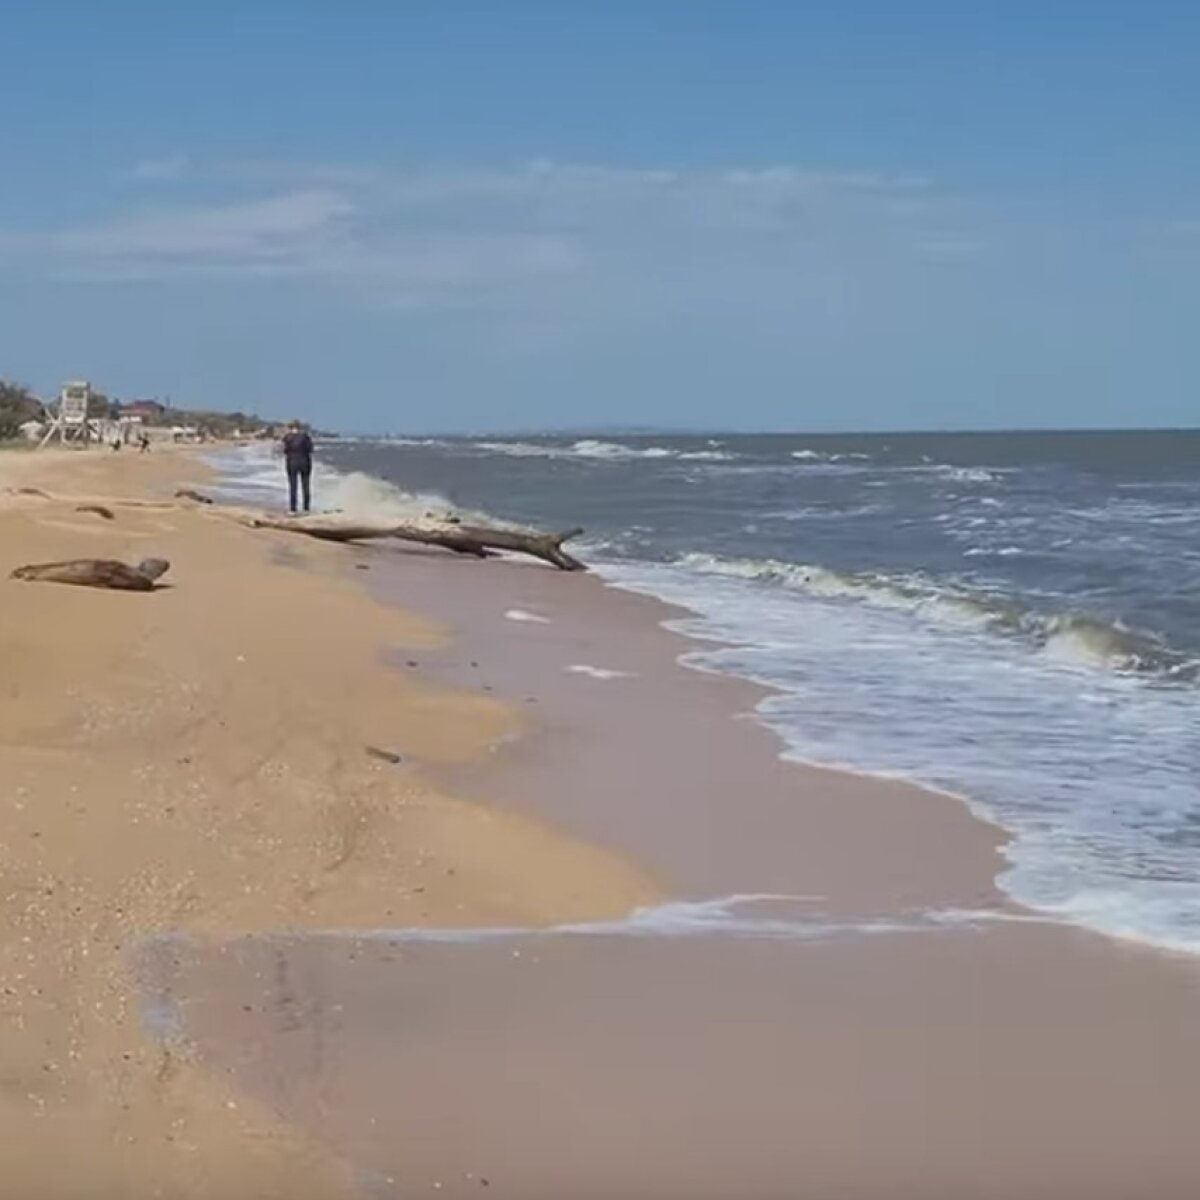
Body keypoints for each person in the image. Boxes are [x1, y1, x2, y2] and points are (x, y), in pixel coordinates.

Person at [281, 420, 314, 513]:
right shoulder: (305, 437)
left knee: (293, 486)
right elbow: (310, 449)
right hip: (305, 462)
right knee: (306, 486)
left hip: (292, 462)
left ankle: (293, 509)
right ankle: (306, 508)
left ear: (290, 428)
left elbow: (286, 450)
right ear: (300, 427)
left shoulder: (287, 437)